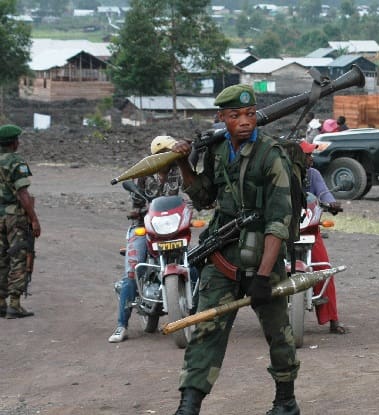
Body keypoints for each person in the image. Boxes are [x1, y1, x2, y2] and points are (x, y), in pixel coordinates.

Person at [170, 84, 300, 415]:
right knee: (206, 333)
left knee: (279, 334)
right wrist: (184, 163)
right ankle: (188, 405)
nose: (244, 121)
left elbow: (278, 222)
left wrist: (263, 276)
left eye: (250, 114)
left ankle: (285, 401)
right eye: (235, 115)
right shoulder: (216, 152)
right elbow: (202, 198)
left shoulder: (272, 156)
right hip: (222, 258)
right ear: (222, 118)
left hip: (263, 259)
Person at [108, 136, 183, 342]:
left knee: (194, 261)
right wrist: (138, 210)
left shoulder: (179, 171)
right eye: (164, 153)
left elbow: (187, 193)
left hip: (170, 226)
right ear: (155, 156)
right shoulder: (142, 173)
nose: (168, 156)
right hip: (143, 226)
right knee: (132, 271)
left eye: (171, 152)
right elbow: (135, 204)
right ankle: (121, 326)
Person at [299, 141, 346, 334]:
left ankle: (333, 319)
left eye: (311, 154)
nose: (311, 159)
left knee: (324, 268)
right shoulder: (280, 174)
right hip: (282, 229)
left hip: (308, 228)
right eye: (307, 155)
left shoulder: (313, 175)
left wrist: (332, 204)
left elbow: (325, 194)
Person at [0, 124, 41, 318]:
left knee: (1, 257)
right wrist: (34, 219)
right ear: (14, 142)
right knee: (18, 256)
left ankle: (0, 301)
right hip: (13, 216)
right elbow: (22, 193)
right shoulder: (16, 162)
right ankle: (14, 304)